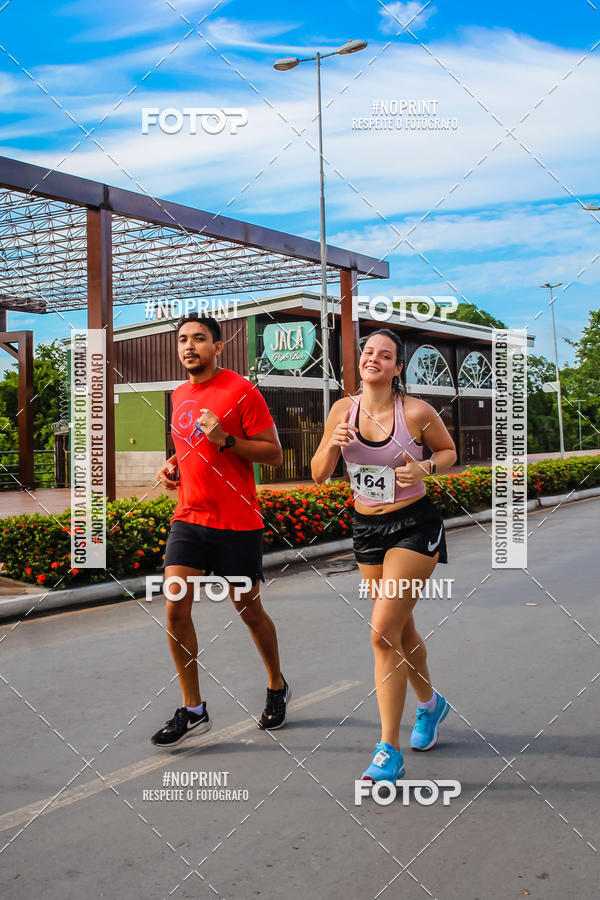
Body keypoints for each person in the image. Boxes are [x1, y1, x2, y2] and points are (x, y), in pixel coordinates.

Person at [311, 329, 457, 782]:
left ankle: (387, 749)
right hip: (366, 530)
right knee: (400, 629)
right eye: (368, 352)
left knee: (380, 634)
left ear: (397, 367)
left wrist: (426, 466)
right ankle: (431, 706)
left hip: (414, 526)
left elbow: (450, 451)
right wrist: (333, 443)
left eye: (385, 355)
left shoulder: (415, 411)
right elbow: (318, 475)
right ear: (361, 362)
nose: (374, 358)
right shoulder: (342, 410)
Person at [151, 313, 291, 747]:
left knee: (248, 610)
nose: (189, 346)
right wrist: (172, 466)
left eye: (199, 339)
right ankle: (193, 708)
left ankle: (276, 684)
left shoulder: (241, 391)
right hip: (189, 518)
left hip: (236, 522)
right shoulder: (177, 394)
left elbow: (275, 455)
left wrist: (227, 439)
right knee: (175, 608)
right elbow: (186, 448)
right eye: (183, 340)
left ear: (218, 346)